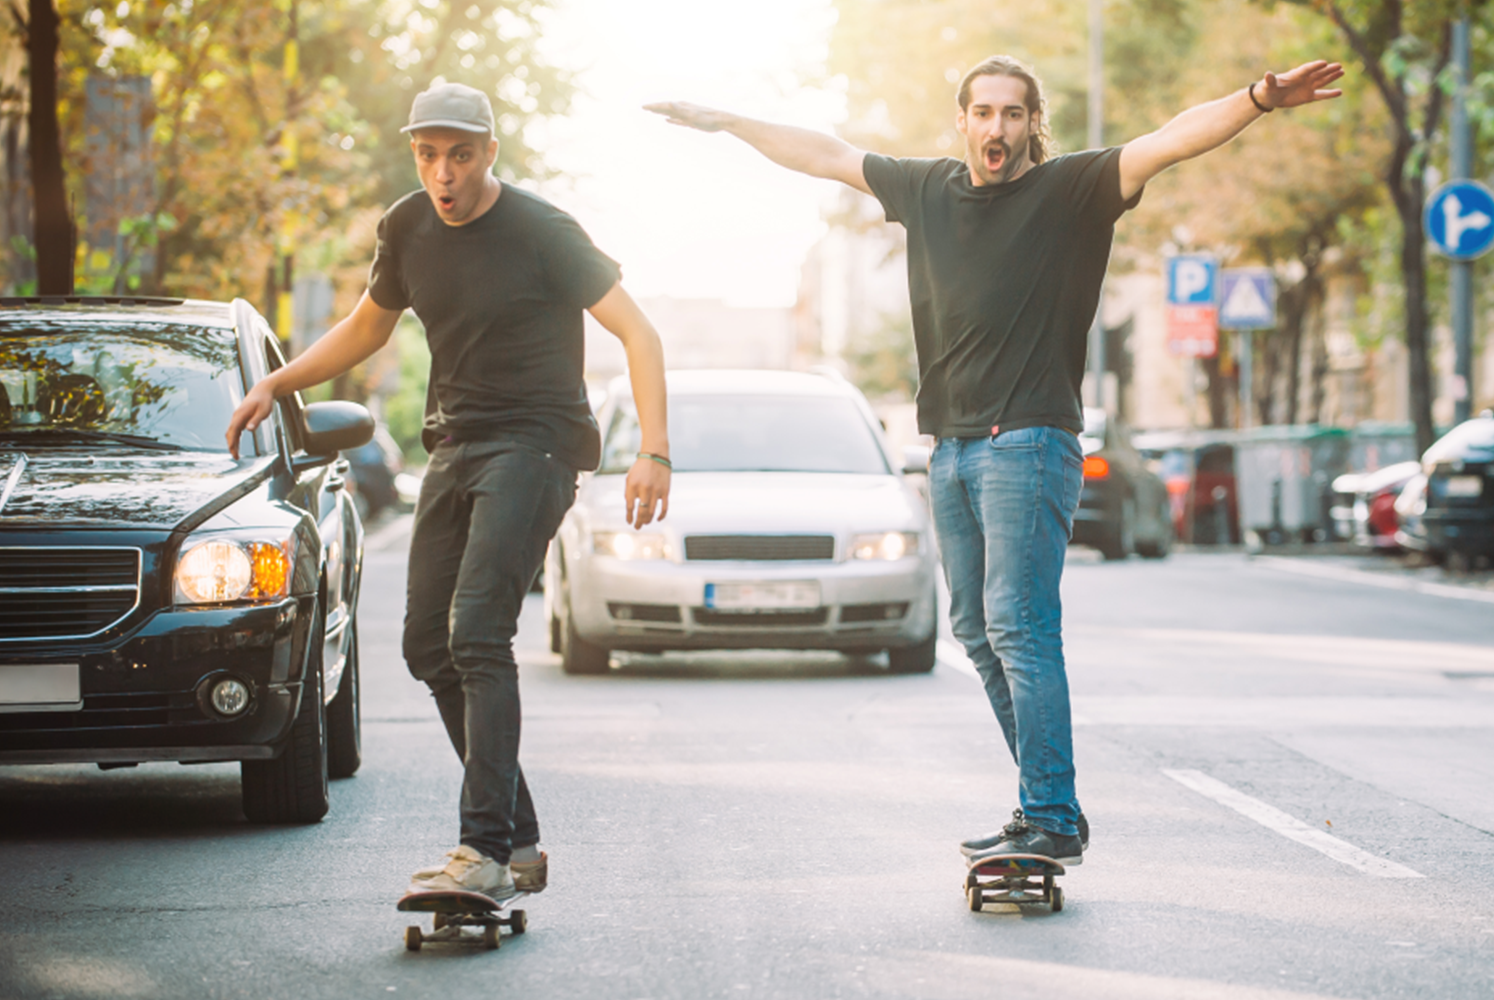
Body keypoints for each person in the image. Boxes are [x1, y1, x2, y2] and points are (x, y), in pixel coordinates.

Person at [648, 54, 1342, 863]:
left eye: (1013, 115)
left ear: (1031, 124)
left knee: (1019, 624)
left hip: (1029, 441)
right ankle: (1049, 804)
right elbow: (826, 153)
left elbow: (1170, 141)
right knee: (976, 629)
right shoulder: (927, 190)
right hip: (950, 449)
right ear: (963, 121)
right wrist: (731, 122)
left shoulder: (1072, 191)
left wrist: (1258, 98)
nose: (997, 129)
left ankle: (1049, 809)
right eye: (983, 113)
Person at [227, 82, 673, 897]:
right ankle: (521, 839)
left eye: (460, 155)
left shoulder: (544, 231)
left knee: (477, 635)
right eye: (429, 156)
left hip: (536, 446)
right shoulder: (405, 225)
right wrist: (279, 384)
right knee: (427, 645)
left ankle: (486, 851)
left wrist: (655, 451)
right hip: (456, 445)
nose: (444, 174)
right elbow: (370, 323)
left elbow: (637, 331)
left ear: (488, 154)